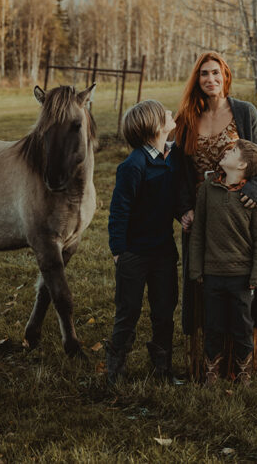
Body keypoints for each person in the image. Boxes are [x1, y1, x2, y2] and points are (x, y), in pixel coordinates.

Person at [173, 51, 257, 382]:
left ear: (226, 76)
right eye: (203, 74)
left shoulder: (245, 113)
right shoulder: (187, 118)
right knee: (204, 286)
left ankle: (243, 363)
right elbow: (176, 172)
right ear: (197, 79)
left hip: (240, 211)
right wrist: (183, 209)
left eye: (215, 73)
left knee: (243, 287)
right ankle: (208, 364)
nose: (210, 79)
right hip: (203, 212)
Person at [104, 100, 183, 387]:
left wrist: (182, 213)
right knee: (129, 310)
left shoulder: (172, 158)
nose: (170, 114)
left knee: (164, 310)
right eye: (165, 113)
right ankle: (116, 370)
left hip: (163, 252)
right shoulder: (133, 165)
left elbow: (170, 199)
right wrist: (118, 251)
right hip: (134, 254)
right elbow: (119, 210)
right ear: (154, 126)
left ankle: (162, 367)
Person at [188, 139, 257, 386]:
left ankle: (243, 373)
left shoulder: (254, 198)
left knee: (242, 326)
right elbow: (198, 231)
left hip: (241, 276)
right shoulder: (207, 190)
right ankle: (211, 371)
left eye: (233, 151)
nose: (226, 151)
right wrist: (196, 268)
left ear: (242, 164)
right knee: (212, 325)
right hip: (212, 273)